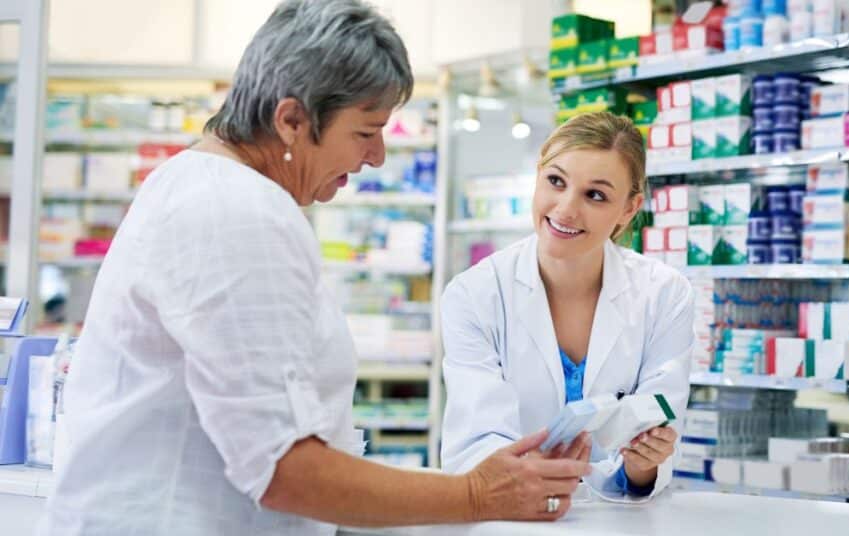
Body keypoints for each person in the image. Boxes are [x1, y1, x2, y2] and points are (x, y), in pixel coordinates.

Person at [38, 1, 590, 534]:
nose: (376, 157)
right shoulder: (234, 213)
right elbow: (283, 469)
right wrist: (476, 494)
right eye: (366, 132)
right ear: (293, 120)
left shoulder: (207, 186)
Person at [440, 111, 695, 500]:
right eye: (556, 181)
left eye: (596, 195)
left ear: (628, 209)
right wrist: (529, 474)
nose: (565, 209)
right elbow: (475, 438)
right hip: (509, 519)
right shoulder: (474, 295)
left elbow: (654, 439)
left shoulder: (664, 294)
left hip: (618, 523)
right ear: (538, 176)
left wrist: (642, 463)